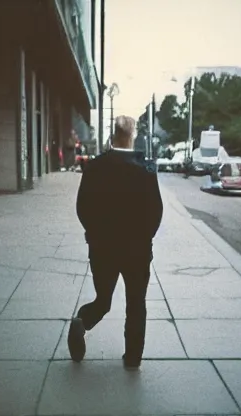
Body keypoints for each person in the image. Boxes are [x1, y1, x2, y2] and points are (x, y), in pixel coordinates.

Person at [68, 115, 163, 370]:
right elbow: (156, 210)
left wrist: (95, 233)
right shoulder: (146, 168)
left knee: (103, 300)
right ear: (132, 136)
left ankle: (83, 321)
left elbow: (82, 207)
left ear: (113, 135)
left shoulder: (95, 166)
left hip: (103, 248)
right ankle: (133, 357)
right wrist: (145, 238)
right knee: (136, 303)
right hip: (137, 250)